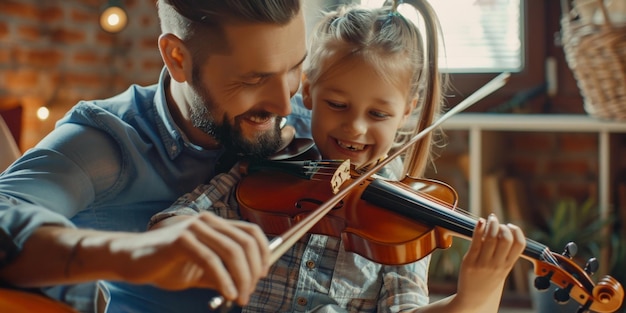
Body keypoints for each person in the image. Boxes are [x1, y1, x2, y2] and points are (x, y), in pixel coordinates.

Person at [138, 1, 526, 312]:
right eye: (337, 104)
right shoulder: (273, 162)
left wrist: (473, 299)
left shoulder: (406, 216)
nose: (355, 127)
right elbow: (177, 219)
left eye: (378, 114)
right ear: (307, 92)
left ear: (407, 111)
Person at [0, 1, 307, 312]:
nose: (285, 106)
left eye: (296, 67)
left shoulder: (312, 124)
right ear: (177, 58)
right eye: (254, 80)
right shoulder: (105, 141)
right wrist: (134, 253)